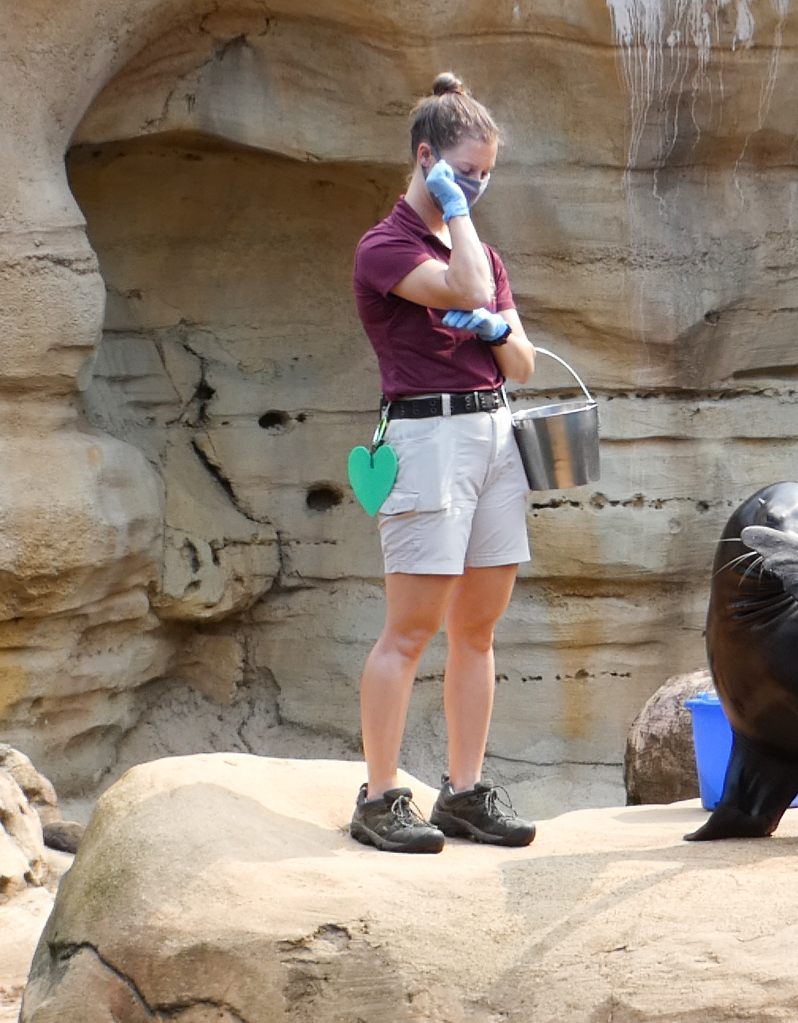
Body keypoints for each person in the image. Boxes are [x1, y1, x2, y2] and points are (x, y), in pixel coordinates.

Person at [347, 71, 538, 853]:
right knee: (411, 627)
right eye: (464, 172)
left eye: (486, 174)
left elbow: (521, 362)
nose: (478, 187)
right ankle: (381, 794)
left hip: (495, 431)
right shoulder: (384, 246)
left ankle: (462, 791)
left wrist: (493, 329)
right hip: (426, 436)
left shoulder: (485, 256)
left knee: (479, 627)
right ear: (425, 158)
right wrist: (451, 213)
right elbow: (460, 281)